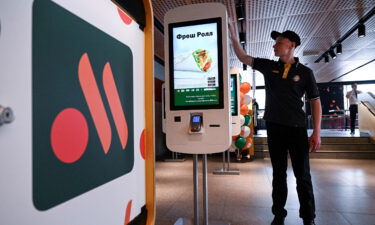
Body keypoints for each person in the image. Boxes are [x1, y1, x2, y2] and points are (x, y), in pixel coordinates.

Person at [229, 23, 322, 225]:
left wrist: (316, 132)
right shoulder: (269, 66)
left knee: (302, 176)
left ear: (292, 45)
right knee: (278, 175)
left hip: (297, 129)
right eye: (275, 43)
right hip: (275, 128)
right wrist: (234, 39)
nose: (275, 46)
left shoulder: (306, 73)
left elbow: (315, 102)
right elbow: (244, 57)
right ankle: (278, 215)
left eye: (279, 42)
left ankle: (309, 218)